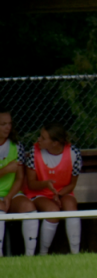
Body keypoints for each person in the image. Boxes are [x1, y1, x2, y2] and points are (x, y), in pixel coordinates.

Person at [0, 109, 37, 256]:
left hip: (12, 193)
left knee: (29, 207)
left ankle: (30, 256)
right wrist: (5, 170)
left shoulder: (17, 147)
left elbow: (20, 178)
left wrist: (9, 197)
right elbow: (9, 171)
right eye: (3, 124)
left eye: (9, 124)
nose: (8, 127)